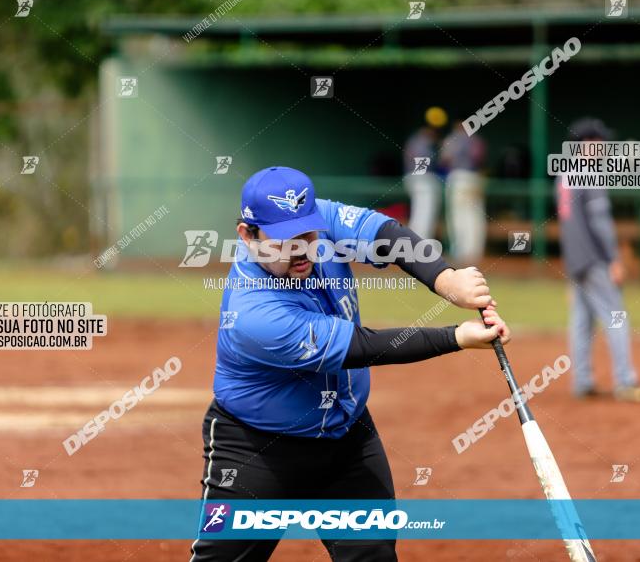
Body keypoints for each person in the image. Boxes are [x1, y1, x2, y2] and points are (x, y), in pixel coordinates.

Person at [190, 166, 511, 561]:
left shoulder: (310, 215)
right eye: (286, 241)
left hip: (347, 436)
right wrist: (456, 337)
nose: (303, 249)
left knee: (372, 555)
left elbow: (387, 235)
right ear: (247, 235)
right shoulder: (254, 313)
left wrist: (448, 281)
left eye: (308, 235)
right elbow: (362, 346)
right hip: (258, 450)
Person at [555, 118, 640, 403]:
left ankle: (582, 381)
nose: (604, 147)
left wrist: (570, 266)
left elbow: (568, 225)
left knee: (582, 320)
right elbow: (600, 224)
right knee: (616, 316)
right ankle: (626, 381)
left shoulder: (564, 174)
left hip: (576, 258)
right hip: (595, 258)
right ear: (586, 144)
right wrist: (614, 259)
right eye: (600, 141)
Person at [440, 120, 488, 264]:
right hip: (475, 178)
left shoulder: (452, 139)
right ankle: (474, 253)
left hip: (459, 178)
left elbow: (444, 160)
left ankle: (461, 252)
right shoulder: (476, 140)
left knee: (459, 216)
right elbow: (482, 161)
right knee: (475, 216)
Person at [403, 106, 448, 239]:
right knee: (423, 214)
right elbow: (421, 167)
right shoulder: (421, 141)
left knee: (421, 213)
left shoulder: (418, 139)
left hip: (417, 179)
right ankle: (418, 245)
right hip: (421, 179)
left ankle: (416, 245)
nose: (434, 132)